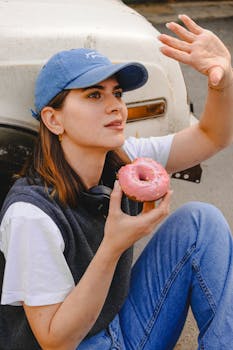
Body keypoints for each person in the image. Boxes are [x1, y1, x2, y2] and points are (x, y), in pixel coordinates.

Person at [0, 14, 233, 350]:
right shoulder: (30, 214)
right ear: (53, 119)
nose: (116, 107)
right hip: (76, 343)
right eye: (95, 96)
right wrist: (112, 246)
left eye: (118, 93)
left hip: (119, 327)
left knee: (200, 221)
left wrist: (221, 81)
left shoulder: (121, 158)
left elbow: (212, 137)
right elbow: (56, 341)